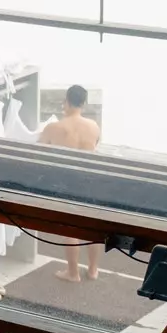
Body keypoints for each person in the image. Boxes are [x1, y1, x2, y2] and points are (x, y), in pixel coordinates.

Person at [38, 85, 104, 282]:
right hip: (90, 180)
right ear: (84, 103)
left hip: (67, 182)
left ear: (65, 101)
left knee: (71, 227)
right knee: (92, 228)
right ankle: (93, 270)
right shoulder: (93, 126)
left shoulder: (54, 128)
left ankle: (73, 272)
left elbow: (38, 152)